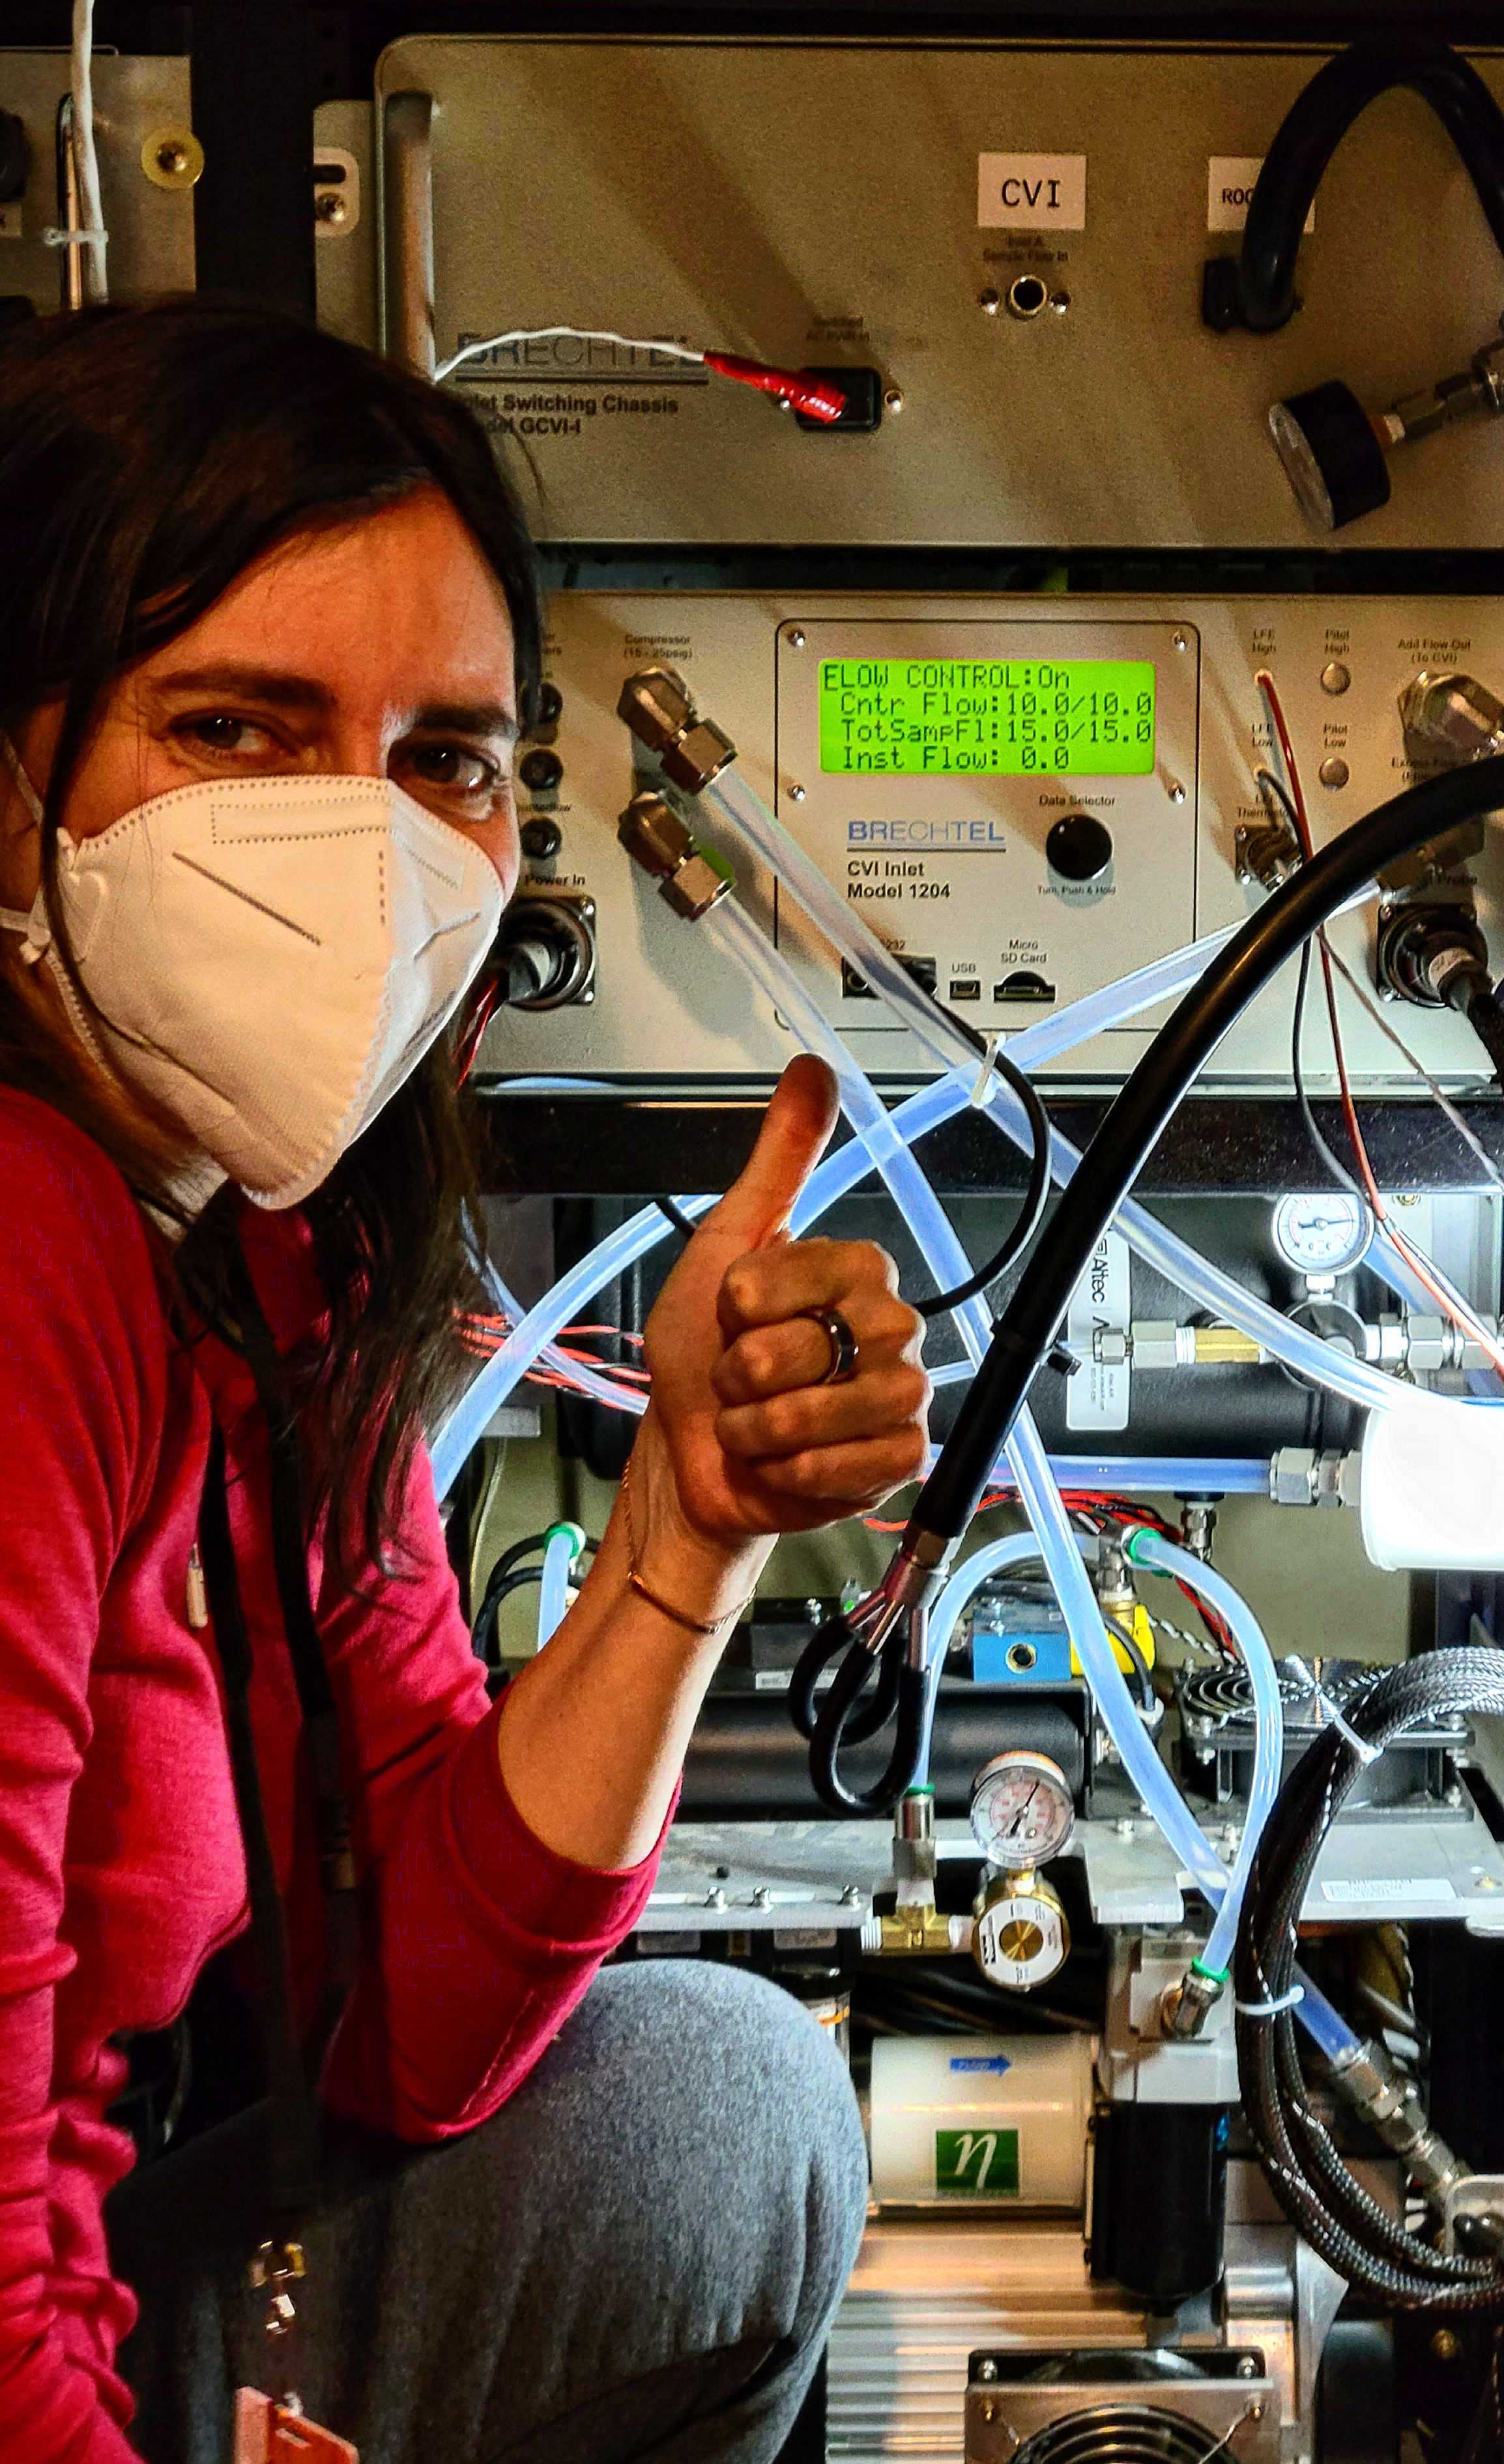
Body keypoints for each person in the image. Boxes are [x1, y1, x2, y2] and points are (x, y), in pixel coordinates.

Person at [0, 299, 934, 2464]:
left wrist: (681, 1532)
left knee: (718, 2099)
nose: (363, 842)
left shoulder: (260, 1248)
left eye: (446, 758)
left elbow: (409, 2027)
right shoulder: (33, 1240)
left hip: (117, 2256)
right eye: (238, 727)